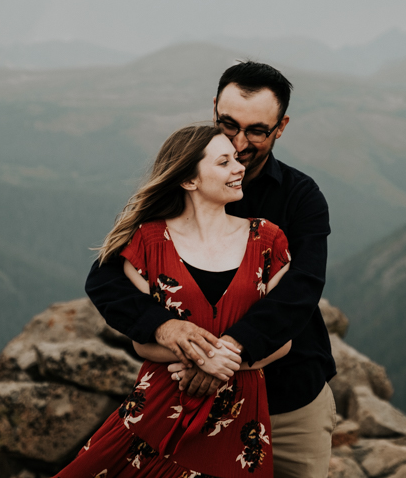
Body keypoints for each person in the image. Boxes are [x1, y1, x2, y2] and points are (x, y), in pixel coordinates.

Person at [86, 61, 337, 477]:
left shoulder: (300, 198)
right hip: (187, 402)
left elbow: (301, 291)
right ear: (214, 110)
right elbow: (105, 278)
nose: (239, 144)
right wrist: (164, 328)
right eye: (228, 124)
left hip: (288, 404)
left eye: (256, 130)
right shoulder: (181, 184)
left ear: (282, 127)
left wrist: (227, 354)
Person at [57, 124, 292, 477]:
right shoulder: (149, 242)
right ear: (189, 180)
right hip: (156, 414)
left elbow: (283, 338)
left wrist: (217, 364)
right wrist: (206, 356)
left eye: (236, 160)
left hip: (238, 426)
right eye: (224, 162)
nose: (239, 167)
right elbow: (143, 343)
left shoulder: (268, 240)